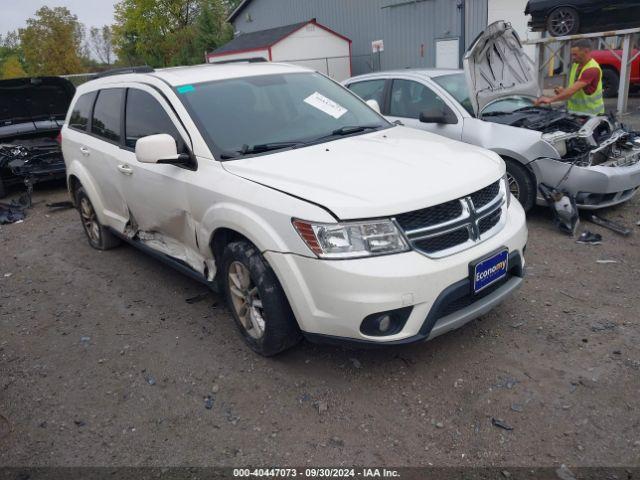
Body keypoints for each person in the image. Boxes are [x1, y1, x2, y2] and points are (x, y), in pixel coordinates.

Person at [534, 39, 605, 115]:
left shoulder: (592, 69)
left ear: (586, 51)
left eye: (575, 54)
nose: (573, 58)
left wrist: (550, 99)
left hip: (591, 114)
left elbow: (572, 90)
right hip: (576, 112)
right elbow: (574, 90)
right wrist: (564, 92)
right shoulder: (576, 64)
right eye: (572, 55)